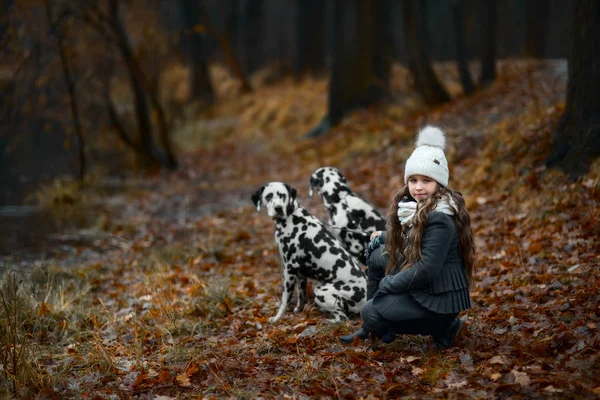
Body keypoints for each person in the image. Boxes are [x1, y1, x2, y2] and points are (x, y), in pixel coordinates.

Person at [339, 125, 476, 349]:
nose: (418, 187)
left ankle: (444, 326)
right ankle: (372, 326)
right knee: (376, 255)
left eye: (426, 181)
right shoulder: (416, 208)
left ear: (439, 183)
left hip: (439, 296)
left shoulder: (440, 217)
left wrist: (388, 284)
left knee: (371, 311)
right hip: (431, 285)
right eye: (413, 180)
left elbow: (425, 270)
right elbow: (416, 240)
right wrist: (384, 236)